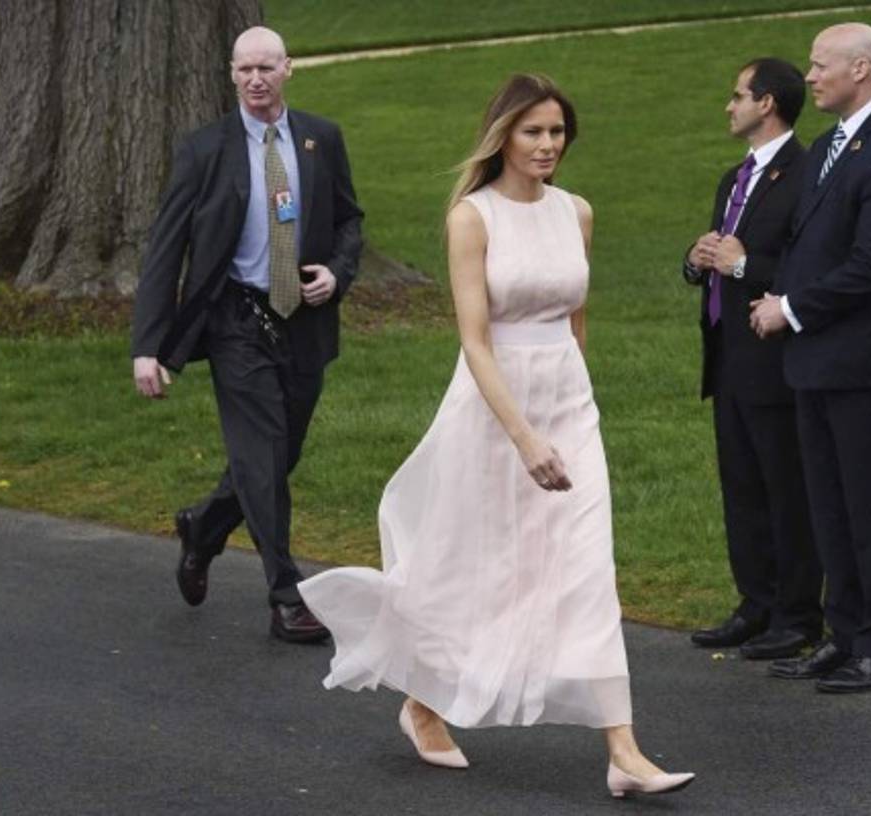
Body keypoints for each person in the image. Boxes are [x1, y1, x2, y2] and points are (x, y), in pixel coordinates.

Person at [297, 74, 693, 798]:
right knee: (475, 563)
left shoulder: (578, 212)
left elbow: (576, 321)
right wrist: (525, 438)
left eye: (557, 131)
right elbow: (475, 341)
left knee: (584, 566)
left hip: (570, 403)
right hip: (493, 408)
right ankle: (423, 704)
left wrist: (573, 405)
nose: (548, 145)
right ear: (503, 136)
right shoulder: (471, 218)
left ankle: (624, 753)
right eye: (533, 131)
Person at [130, 27, 363, 643]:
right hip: (236, 320)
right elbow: (165, 250)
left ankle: (203, 527)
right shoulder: (205, 150)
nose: (255, 79)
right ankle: (286, 596)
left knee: (280, 456)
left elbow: (349, 221)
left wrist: (336, 275)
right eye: (244, 70)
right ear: (231, 75)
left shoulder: (321, 139)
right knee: (260, 458)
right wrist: (147, 346)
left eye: (266, 67)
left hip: (304, 321)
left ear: (289, 68)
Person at [748, 22, 871, 693]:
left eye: (821, 65)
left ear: (862, 69)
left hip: (864, 364)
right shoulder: (831, 145)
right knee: (830, 506)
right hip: (817, 361)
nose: (811, 75)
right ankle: (844, 634)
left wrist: (788, 309)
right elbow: (811, 245)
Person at [683, 58, 823, 659]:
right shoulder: (731, 179)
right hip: (728, 357)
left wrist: (741, 265)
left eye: (738, 95)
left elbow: (807, 268)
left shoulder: (807, 174)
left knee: (784, 488)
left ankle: (796, 614)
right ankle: (756, 603)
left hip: (775, 359)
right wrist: (697, 259)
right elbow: (719, 258)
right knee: (741, 486)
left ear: (767, 103)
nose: (729, 105)